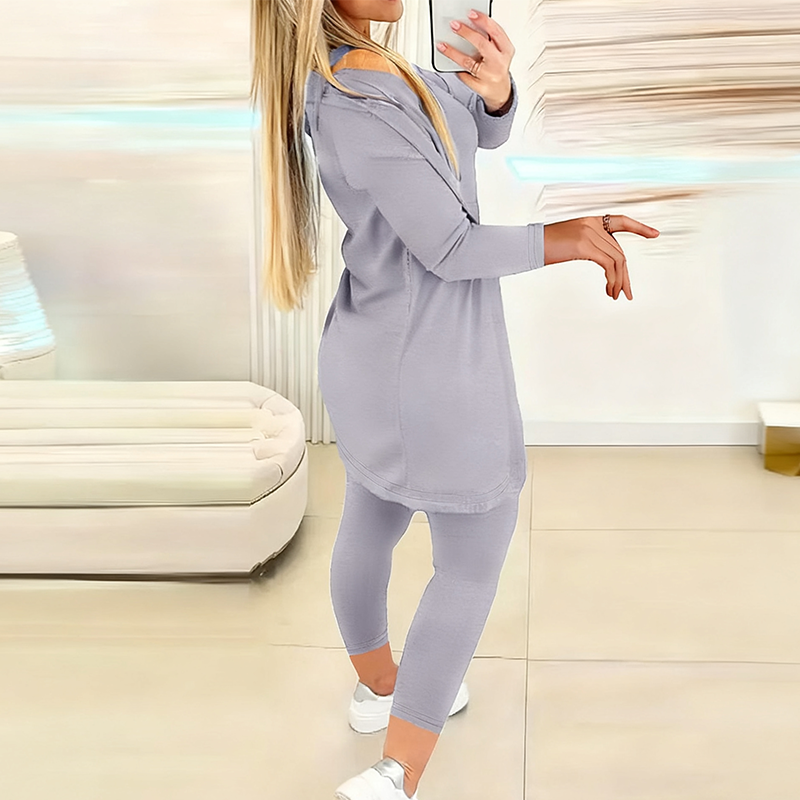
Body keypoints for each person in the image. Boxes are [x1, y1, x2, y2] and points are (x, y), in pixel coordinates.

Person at [250, 1, 660, 797]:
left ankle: (379, 687)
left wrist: (496, 93)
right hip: (430, 369)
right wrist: (566, 237)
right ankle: (397, 773)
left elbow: (465, 123)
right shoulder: (364, 100)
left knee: (371, 517)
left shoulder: (355, 72)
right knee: (473, 556)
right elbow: (450, 245)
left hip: (375, 353)